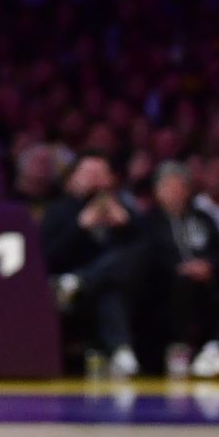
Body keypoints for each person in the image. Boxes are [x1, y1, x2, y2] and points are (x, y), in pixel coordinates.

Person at [40, 153, 140, 376]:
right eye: (88, 173)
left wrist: (125, 226)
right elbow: (48, 256)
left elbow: (143, 251)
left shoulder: (122, 207)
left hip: (115, 285)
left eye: (100, 173)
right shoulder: (59, 210)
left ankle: (79, 281)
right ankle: (121, 351)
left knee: (123, 259)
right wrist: (81, 227)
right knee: (107, 292)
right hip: (68, 288)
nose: (94, 179)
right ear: (73, 178)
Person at [134, 162, 219, 378]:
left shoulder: (203, 219)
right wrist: (181, 268)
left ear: (188, 190)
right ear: (157, 191)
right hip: (165, 289)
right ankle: (179, 349)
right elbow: (146, 258)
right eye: (168, 187)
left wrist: (209, 265)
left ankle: (215, 349)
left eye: (180, 186)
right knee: (183, 285)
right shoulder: (147, 222)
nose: (175, 192)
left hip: (208, 284)